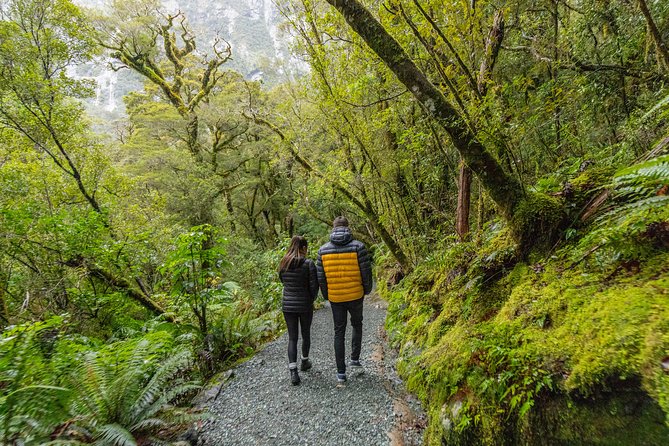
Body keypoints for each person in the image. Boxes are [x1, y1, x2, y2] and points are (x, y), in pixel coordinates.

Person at [316, 216, 373, 384]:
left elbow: (321, 278)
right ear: (348, 228)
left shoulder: (323, 251)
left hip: (336, 297)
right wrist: (367, 289)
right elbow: (366, 272)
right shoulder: (358, 247)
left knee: (338, 331)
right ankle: (355, 359)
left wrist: (327, 295)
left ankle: (341, 372)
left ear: (333, 229)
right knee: (357, 324)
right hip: (356, 295)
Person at [278, 235, 319, 385]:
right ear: (303, 248)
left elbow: (282, 281)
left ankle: (293, 372)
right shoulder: (308, 264)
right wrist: (310, 299)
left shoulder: (284, 263)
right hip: (304, 305)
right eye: (306, 248)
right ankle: (304, 361)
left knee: (292, 338)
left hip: (288, 306)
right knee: (306, 333)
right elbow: (314, 286)